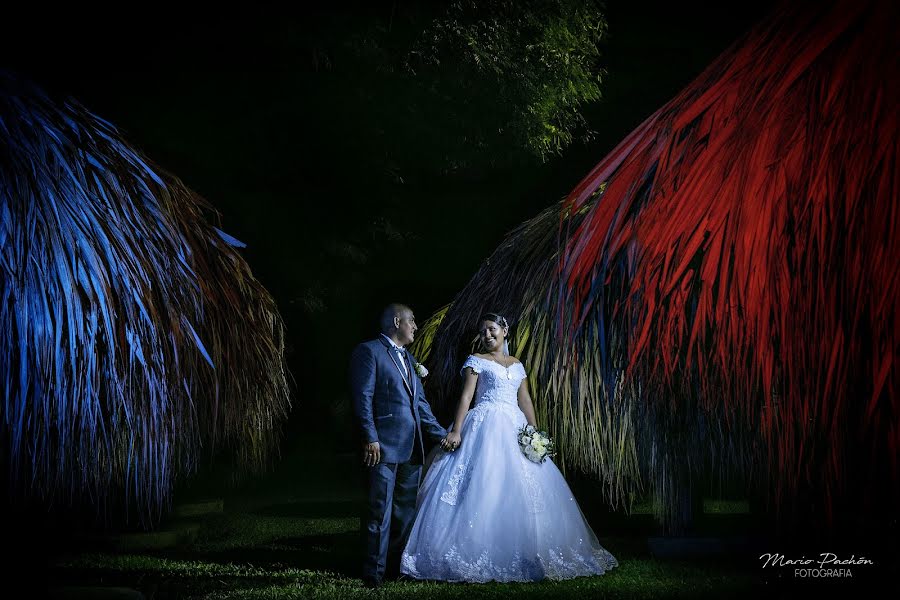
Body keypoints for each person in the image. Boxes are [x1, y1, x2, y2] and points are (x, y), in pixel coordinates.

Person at [400, 312, 618, 582]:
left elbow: (524, 399)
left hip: (514, 425)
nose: (487, 335)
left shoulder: (517, 365)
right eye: (483, 331)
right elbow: (466, 397)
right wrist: (456, 430)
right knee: (482, 480)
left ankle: (530, 549)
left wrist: (535, 432)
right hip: (484, 424)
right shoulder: (476, 361)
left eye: (492, 329)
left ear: (505, 331)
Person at [349, 303, 452, 588]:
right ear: (397, 321)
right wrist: (370, 437)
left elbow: (420, 404)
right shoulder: (368, 352)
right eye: (412, 321)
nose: (416, 327)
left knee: (405, 512)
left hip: (412, 449)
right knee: (379, 510)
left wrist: (441, 435)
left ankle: (396, 567)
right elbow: (363, 399)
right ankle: (373, 572)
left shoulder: (409, 358)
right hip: (382, 447)